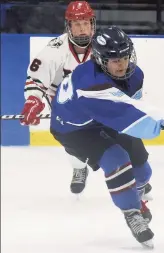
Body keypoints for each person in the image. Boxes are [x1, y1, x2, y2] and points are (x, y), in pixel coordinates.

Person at [48, 26, 164, 247]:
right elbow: (126, 116)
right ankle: (131, 213)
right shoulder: (89, 83)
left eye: (125, 57)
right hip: (74, 129)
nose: (122, 64)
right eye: (114, 59)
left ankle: (135, 197)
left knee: (143, 170)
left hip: (105, 117)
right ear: (100, 59)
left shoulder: (135, 75)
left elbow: (132, 106)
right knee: (116, 159)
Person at [20, 1, 95, 195]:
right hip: (63, 101)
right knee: (71, 140)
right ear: (68, 26)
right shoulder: (55, 49)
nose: (82, 29)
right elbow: (36, 80)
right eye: (77, 24)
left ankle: (134, 174)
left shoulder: (103, 46)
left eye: (86, 23)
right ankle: (79, 167)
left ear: (92, 24)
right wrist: (33, 101)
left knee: (119, 134)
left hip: (97, 98)